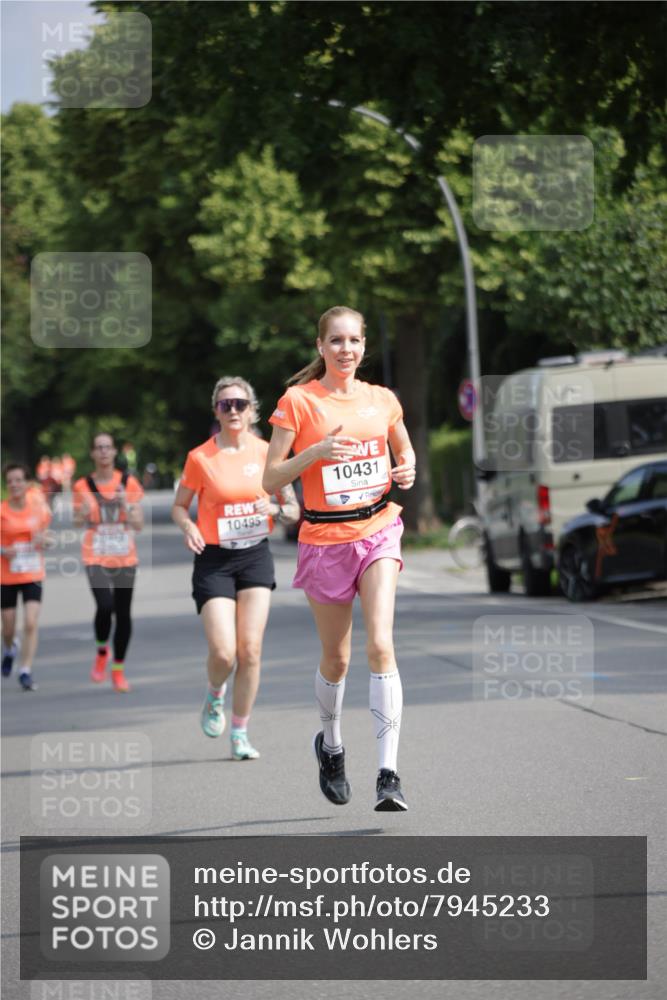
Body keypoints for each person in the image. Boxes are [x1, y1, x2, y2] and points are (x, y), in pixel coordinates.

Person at [264, 305, 416, 811]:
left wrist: (407, 470)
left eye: (354, 340)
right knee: (338, 658)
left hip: (377, 529)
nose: (345, 349)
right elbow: (271, 478)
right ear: (320, 347)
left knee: (381, 644)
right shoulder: (298, 402)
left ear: (364, 345)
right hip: (325, 541)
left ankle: (389, 775)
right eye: (336, 341)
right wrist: (316, 454)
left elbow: (404, 451)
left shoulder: (382, 399)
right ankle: (330, 747)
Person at [172, 376, 299, 761]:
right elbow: (180, 506)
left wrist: (275, 508)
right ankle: (215, 693)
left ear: (252, 410)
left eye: (240, 404)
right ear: (216, 410)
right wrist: (189, 526)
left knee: (252, 650)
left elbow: (294, 510)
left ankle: (240, 733)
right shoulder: (200, 458)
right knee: (225, 653)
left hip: (254, 555)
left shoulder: (267, 453)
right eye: (225, 405)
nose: (233, 411)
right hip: (214, 559)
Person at [72, 433, 144, 692]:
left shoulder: (129, 483)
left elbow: (139, 525)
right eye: (98, 447)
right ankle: (102, 650)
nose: (103, 452)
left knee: (123, 613)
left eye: (107, 447)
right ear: (92, 453)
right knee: (105, 606)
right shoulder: (82, 485)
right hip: (96, 554)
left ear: (114, 452)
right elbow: (77, 523)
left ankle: (118, 669)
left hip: (125, 554)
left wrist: (127, 505)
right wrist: (80, 515)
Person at [1, 464, 52, 691]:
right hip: (7, 575)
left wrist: (44, 541)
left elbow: (49, 539)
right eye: (10, 481)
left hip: (32, 572)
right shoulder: (2, 511)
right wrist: (3, 550)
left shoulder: (37, 508)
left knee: (30, 622)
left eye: (18, 480)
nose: (14, 485)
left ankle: (25, 670)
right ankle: (10, 648)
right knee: (9, 627)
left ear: (27, 482)